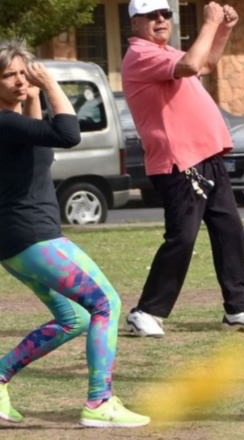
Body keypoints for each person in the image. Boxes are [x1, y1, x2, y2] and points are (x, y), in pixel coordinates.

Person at [0, 39, 149, 428]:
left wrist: (34, 95)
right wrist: (51, 84)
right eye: (9, 75)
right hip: (34, 237)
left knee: (75, 318)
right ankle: (100, 401)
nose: (20, 81)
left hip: (15, 243)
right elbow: (68, 133)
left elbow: (43, 141)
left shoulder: (14, 125)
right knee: (107, 303)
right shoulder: (4, 122)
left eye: (24, 73)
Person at [120, 0, 244, 337]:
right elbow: (191, 64)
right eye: (150, 15)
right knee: (183, 236)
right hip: (179, 161)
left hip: (207, 155)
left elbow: (206, 62)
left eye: (165, 13)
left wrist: (223, 29)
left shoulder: (164, 53)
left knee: (229, 230)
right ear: (134, 23)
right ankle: (145, 311)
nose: (160, 19)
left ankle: (238, 309)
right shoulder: (141, 54)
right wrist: (210, 22)